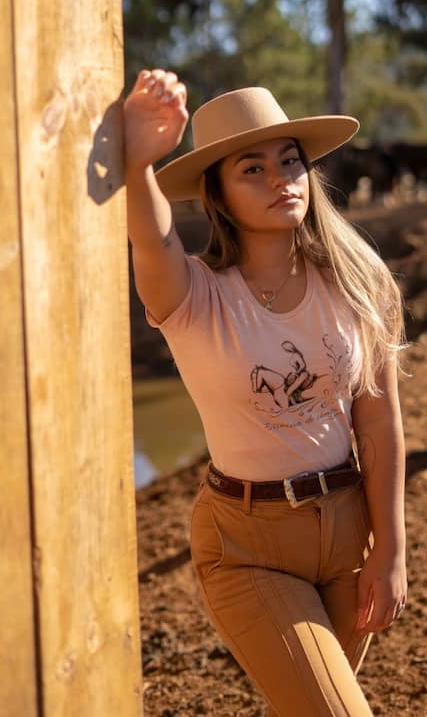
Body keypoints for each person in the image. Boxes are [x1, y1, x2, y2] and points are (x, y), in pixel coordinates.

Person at [124, 69, 408, 717]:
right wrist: (139, 162)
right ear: (218, 194)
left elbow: (380, 424)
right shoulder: (194, 296)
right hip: (246, 546)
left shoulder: (359, 285)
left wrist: (390, 548)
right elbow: (150, 236)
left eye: (290, 161)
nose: (282, 177)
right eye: (252, 168)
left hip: (349, 532)